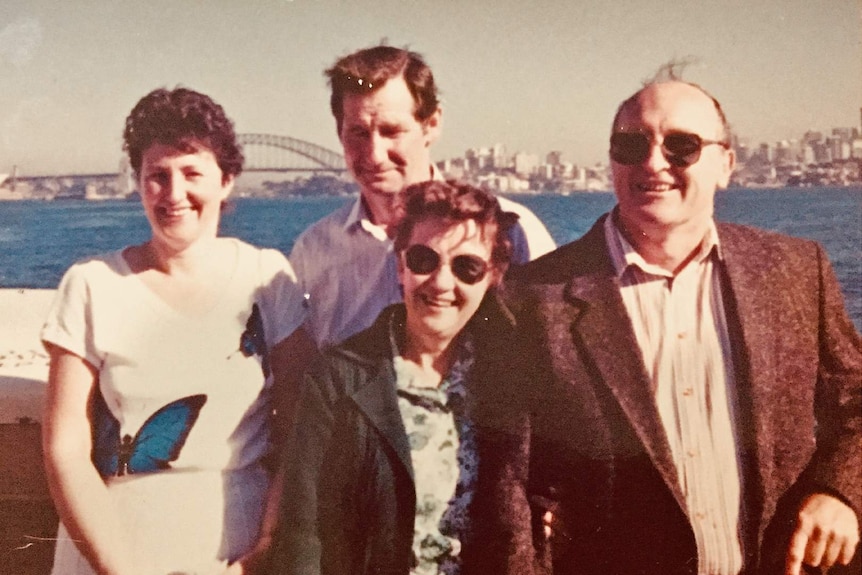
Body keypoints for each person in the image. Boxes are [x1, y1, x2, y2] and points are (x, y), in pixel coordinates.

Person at [472, 71, 862, 575]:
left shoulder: (793, 271)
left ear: (725, 164)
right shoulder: (526, 300)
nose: (653, 162)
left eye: (682, 145)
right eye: (631, 144)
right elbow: (506, 490)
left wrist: (839, 492)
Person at [41, 87, 314, 575]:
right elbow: (64, 448)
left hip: (237, 550)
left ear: (227, 180)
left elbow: (299, 429)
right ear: (139, 183)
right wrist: (118, 568)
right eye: (157, 176)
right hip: (114, 548)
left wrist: (267, 546)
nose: (174, 193)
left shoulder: (267, 280)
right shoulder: (91, 284)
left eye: (192, 174)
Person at [271, 180, 524, 574]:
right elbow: (304, 535)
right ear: (401, 267)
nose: (441, 283)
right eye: (424, 260)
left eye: (467, 267)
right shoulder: (338, 381)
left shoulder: (511, 379)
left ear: (492, 276)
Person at [289, 44, 556, 349]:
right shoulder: (313, 252)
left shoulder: (512, 231)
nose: (375, 156)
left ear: (432, 125)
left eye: (391, 131)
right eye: (358, 133)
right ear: (340, 134)